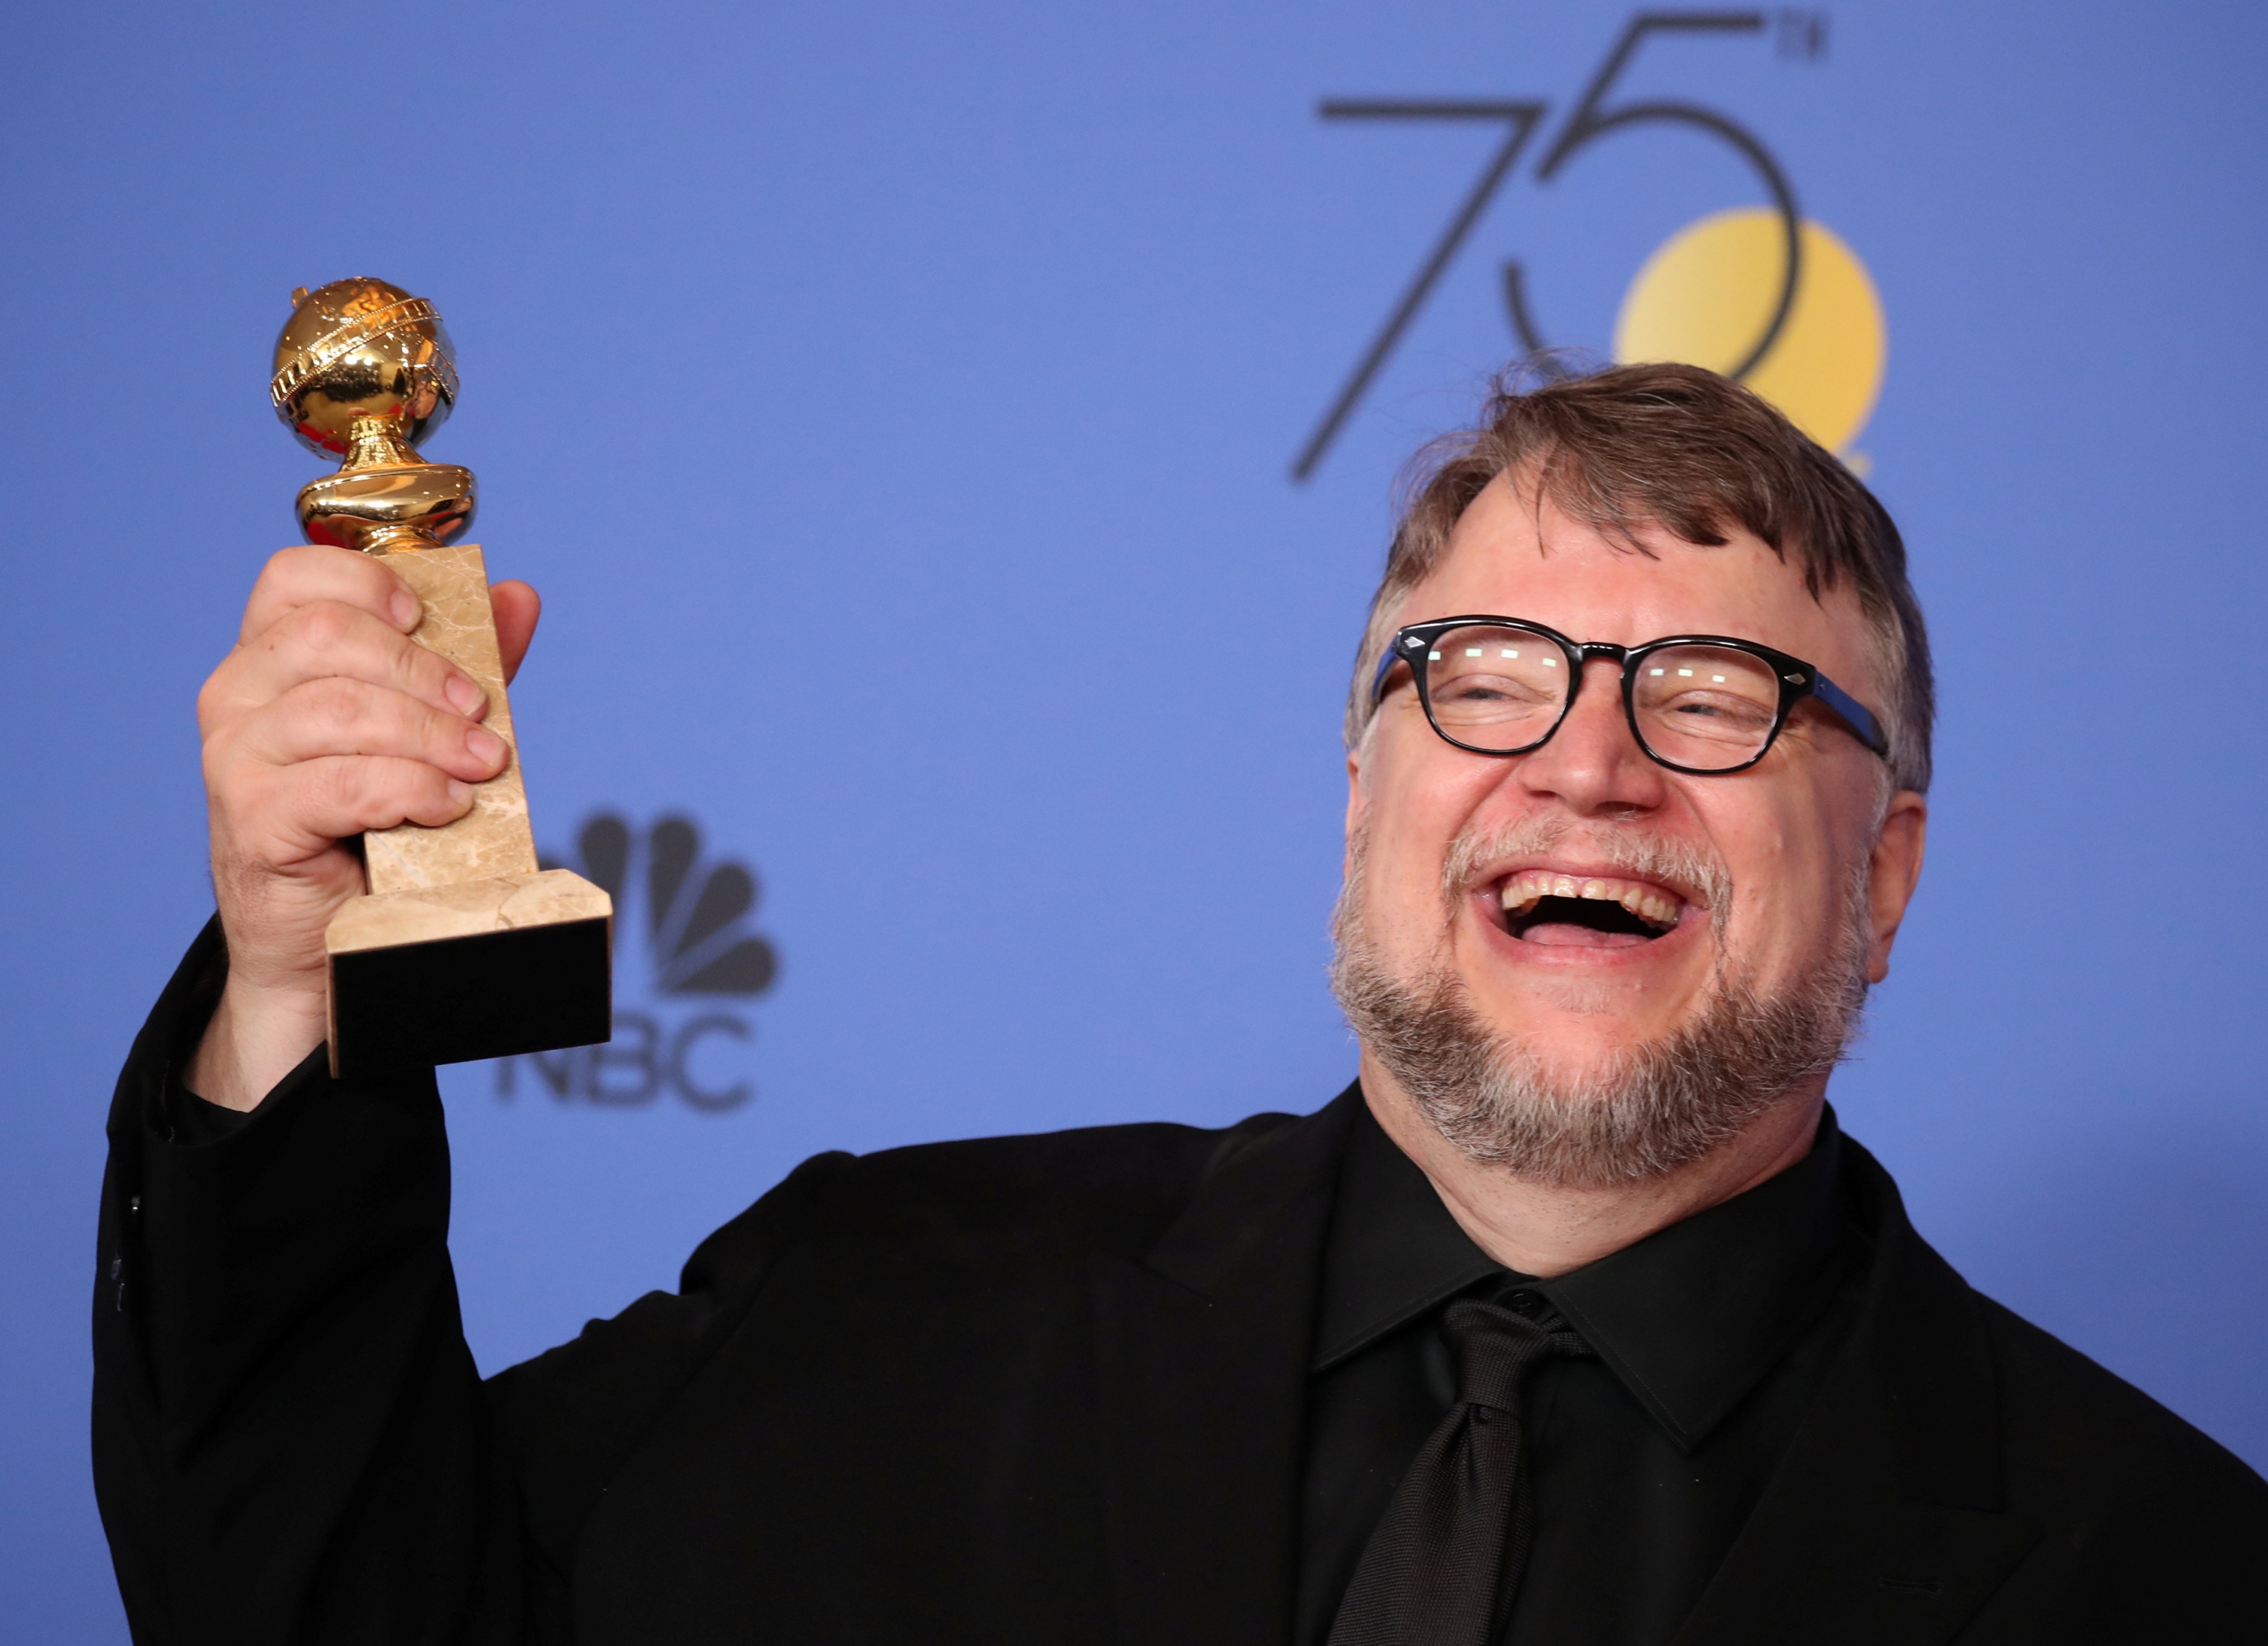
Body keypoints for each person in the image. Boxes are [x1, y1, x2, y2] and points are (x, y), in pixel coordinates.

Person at [94, 363, 2266, 1644]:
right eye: (1481, 677)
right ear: (1360, 796)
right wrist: (298, 982)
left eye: (1713, 695)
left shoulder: (2168, 1571)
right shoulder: (869, 1303)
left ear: (1881, 872)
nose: (1582, 763)